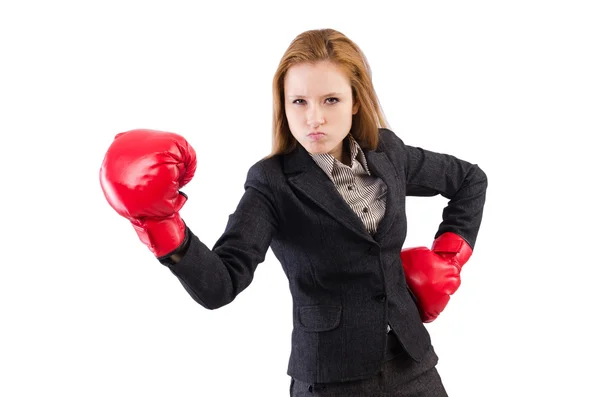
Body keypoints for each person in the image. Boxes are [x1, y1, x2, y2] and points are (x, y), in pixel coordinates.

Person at [99, 28, 487, 396]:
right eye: (298, 101)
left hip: (412, 362)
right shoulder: (272, 182)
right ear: (283, 106)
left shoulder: (388, 153)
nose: (313, 118)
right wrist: (160, 224)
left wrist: (450, 255)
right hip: (331, 380)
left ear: (355, 101)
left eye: (330, 100)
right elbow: (221, 284)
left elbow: (470, 180)